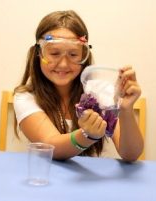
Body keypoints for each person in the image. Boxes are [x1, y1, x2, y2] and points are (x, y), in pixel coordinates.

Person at [13, 10, 143, 161]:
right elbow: (51, 146)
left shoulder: (99, 93)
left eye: (73, 55)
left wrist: (126, 109)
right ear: (39, 54)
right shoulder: (26, 97)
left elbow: (131, 155)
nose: (63, 64)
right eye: (54, 53)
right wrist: (87, 135)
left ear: (84, 55)